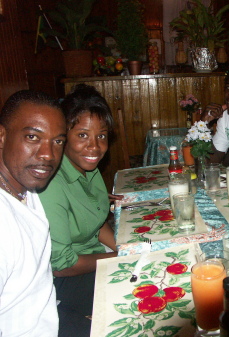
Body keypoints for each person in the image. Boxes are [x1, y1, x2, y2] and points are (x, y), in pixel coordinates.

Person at [39, 84, 122, 332]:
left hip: (96, 256)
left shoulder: (89, 169)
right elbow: (62, 265)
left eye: (102, 135)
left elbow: (96, 223)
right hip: (65, 281)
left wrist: (125, 248)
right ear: (63, 136)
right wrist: (116, 259)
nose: (95, 147)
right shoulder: (52, 184)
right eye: (82, 135)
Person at [0, 90, 66, 336]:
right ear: (2, 136)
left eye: (57, 141)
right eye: (32, 137)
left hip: (51, 315)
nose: (48, 154)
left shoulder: (26, 189)